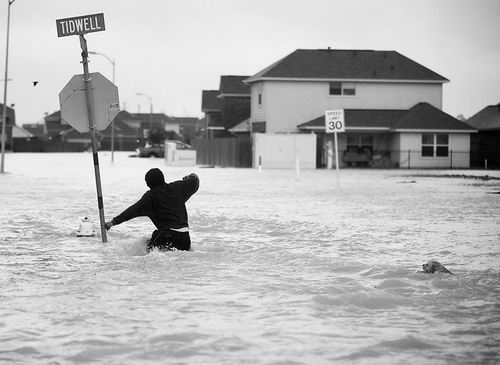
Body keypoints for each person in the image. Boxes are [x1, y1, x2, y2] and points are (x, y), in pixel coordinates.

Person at [105, 168, 199, 251]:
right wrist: (188, 177)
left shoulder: (150, 197)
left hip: (167, 236)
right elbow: (195, 180)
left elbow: (132, 211)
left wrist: (113, 222)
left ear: (148, 184)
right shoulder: (178, 187)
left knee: (148, 252)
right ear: (162, 178)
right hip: (185, 239)